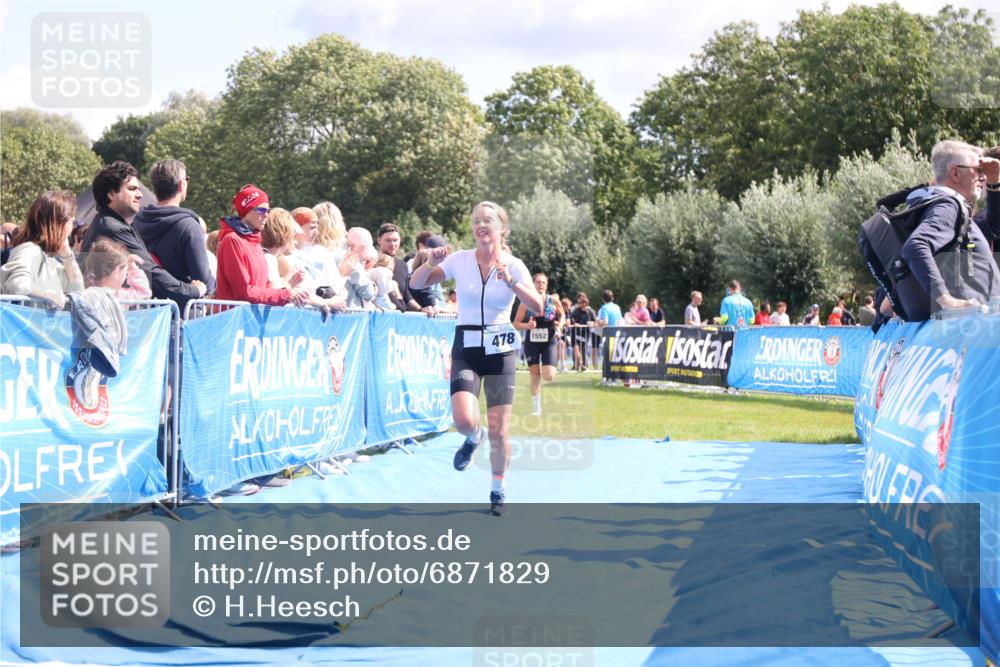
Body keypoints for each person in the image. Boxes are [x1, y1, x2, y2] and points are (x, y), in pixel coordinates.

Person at [409, 201, 542, 517]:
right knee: (465, 420)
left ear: (501, 229)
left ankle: (498, 488)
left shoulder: (515, 264)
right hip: (466, 348)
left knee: (500, 430)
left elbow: (538, 306)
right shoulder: (460, 260)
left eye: (488, 221)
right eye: (476, 221)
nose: (481, 226)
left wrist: (513, 283)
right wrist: (428, 262)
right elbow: (415, 284)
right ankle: (473, 437)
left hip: (500, 351)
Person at [81, 161, 206, 309]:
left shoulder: (109, 223)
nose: (140, 195)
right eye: (132, 189)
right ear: (111, 193)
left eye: (139, 189)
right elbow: (150, 273)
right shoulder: (112, 228)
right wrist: (192, 291)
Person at [900, 140, 1000, 317]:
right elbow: (916, 245)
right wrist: (947, 300)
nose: (982, 177)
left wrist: (994, 183)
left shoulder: (947, 205)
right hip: (972, 329)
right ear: (955, 172)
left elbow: (993, 227)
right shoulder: (949, 205)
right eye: (978, 170)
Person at [215, 184, 310, 307]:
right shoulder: (232, 241)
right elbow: (244, 292)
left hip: (251, 319)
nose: (266, 215)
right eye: (261, 210)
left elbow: (264, 288)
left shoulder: (255, 242)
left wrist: (288, 288)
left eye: (268, 211)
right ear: (246, 211)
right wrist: (286, 295)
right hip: (233, 320)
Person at [133, 159, 216, 297]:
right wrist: (213, 283)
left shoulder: (135, 222)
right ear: (182, 184)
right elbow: (203, 280)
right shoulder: (189, 226)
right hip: (182, 310)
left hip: (145, 309)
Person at [0, 190, 84, 308]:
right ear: (60, 223)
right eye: (72, 221)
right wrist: (46, 295)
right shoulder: (29, 250)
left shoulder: (50, 257)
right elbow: (17, 285)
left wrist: (67, 255)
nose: (72, 226)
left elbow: (78, 292)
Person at [513, 273, 563, 417]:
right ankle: (537, 408)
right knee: (535, 375)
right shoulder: (525, 302)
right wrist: (527, 325)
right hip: (532, 342)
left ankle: (550, 367)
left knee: (548, 376)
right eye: (538, 282)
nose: (540, 285)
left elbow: (563, 315)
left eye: (543, 283)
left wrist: (560, 325)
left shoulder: (553, 300)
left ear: (546, 286)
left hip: (549, 341)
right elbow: (515, 324)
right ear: (533, 284)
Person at [378, 222, 434, 315]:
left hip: (399, 320)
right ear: (379, 241)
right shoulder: (372, 262)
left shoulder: (402, 265)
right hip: (379, 318)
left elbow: (407, 297)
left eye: (395, 240)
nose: (392, 244)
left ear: (400, 241)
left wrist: (421, 309)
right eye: (388, 240)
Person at [84, 237, 152, 299]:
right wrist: (132, 268)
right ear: (117, 269)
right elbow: (144, 293)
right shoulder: (119, 296)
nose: (125, 275)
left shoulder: (85, 293)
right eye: (126, 271)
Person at [569, 292, 598, 370]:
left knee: (583, 350)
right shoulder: (575, 310)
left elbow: (596, 321)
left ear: (585, 304)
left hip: (585, 334)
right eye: (578, 302)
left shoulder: (590, 311)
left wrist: (592, 323)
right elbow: (571, 319)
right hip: (575, 333)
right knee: (577, 351)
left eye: (580, 303)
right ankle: (577, 364)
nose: (578, 304)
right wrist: (575, 323)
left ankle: (583, 366)